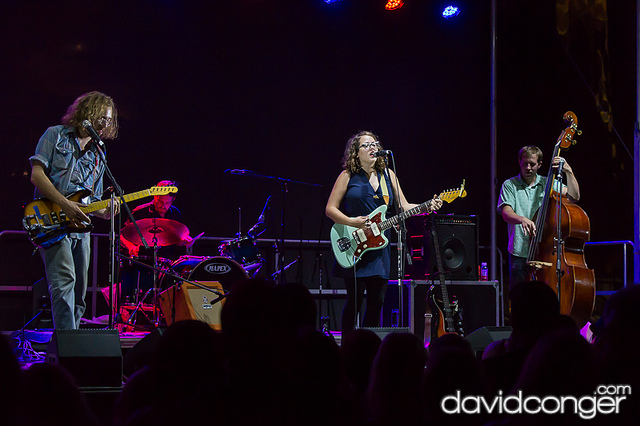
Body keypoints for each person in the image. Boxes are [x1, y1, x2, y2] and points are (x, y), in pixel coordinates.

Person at [325, 131, 442, 336]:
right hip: (354, 243)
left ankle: (368, 348)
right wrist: (353, 221)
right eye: (367, 145)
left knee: (377, 302)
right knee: (354, 302)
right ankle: (347, 348)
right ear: (356, 152)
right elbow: (330, 209)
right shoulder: (347, 176)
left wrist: (428, 206)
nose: (372, 147)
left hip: (379, 246)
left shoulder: (388, 174)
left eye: (375, 143)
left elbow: (404, 206)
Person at [29, 91, 120, 330]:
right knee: (64, 281)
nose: (106, 124)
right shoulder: (55, 135)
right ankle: (68, 347)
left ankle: (72, 339)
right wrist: (65, 204)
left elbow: (92, 200)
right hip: (49, 221)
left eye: (110, 120)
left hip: (81, 229)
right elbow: (37, 175)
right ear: (89, 112)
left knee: (80, 288)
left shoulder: (99, 152)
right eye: (103, 117)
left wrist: (106, 211)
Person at [497, 145, 580, 291]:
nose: (528, 167)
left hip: (545, 252)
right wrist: (522, 219)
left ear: (540, 165)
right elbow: (505, 212)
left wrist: (568, 171)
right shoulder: (510, 185)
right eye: (525, 163)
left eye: (532, 164)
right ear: (519, 162)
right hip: (520, 251)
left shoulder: (548, 184)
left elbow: (574, 197)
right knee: (519, 296)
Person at [119, 179, 193, 301]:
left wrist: (183, 242)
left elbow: (175, 240)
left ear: (173, 200)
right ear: (155, 196)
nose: (163, 206)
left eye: (167, 203)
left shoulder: (175, 213)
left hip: (166, 263)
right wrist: (131, 247)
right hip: (143, 262)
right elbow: (122, 235)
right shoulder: (140, 211)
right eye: (160, 202)